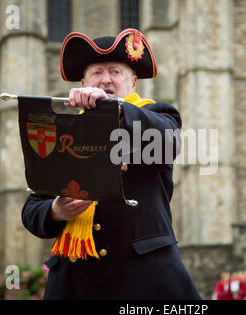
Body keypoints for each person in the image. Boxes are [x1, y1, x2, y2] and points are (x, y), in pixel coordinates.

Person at [21, 28, 202, 300]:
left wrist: (115, 111)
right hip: (75, 285)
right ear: (83, 83)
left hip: (144, 282)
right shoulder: (64, 131)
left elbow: (168, 143)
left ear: (133, 82)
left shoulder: (158, 115)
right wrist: (56, 210)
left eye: (115, 72)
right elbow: (32, 209)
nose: (105, 79)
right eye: (96, 73)